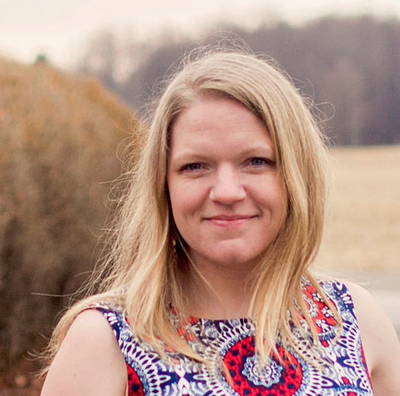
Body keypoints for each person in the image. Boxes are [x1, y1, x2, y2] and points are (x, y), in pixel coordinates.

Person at [40, 48, 400, 396]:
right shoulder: (105, 340)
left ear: (297, 174)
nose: (227, 192)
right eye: (195, 166)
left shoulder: (355, 320)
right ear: (163, 185)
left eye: (256, 161)